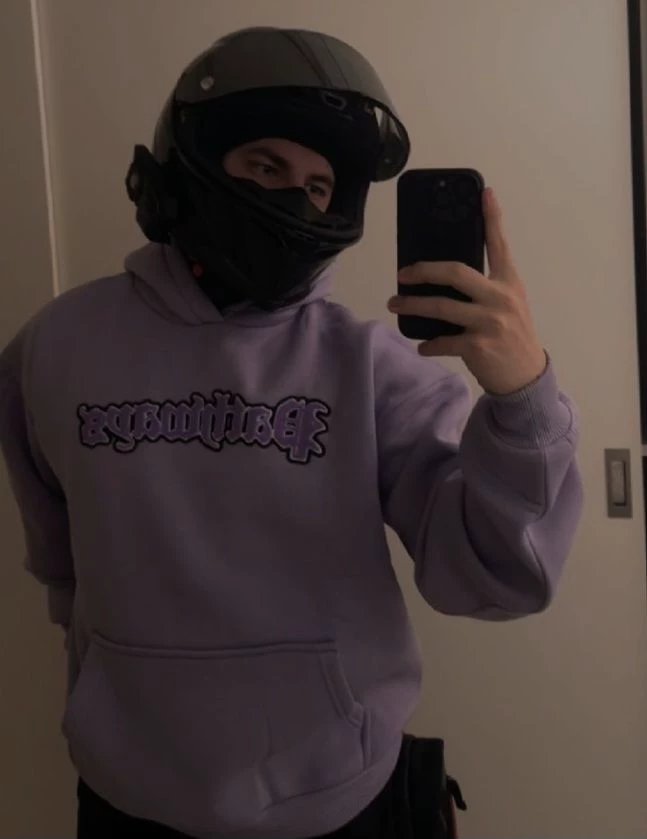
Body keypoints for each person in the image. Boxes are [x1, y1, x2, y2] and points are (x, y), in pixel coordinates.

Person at [0, 25, 583, 839]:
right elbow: (60, 561)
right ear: (194, 161)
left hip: (339, 797)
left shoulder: (371, 365)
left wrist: (522, 398)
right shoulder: (55, 347)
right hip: (126, 793)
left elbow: (499, 574)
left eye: (316, 186)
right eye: (265, 166)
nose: (292, 200)